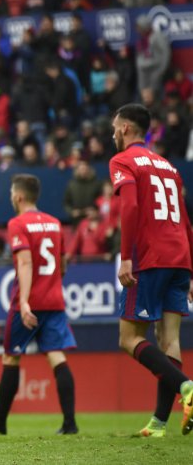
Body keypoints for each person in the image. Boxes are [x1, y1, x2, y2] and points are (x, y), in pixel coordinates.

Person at [0, 174, 78, 436]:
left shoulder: (18, 223)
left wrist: (26, 301)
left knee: (11, 356)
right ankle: (69, 423)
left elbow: (26, 263)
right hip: (53, 300)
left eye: (10, 193)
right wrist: (51, 285)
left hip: (28, 303)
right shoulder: (54, 223)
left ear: (18, 196)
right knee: (56, 356)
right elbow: (63, 264)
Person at [109, 104, 193, 437]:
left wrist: (126, 257)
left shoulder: (123, 161)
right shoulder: (169, 167)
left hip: (149, 257)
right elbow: (186, 220)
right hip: (180, 257)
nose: (113, 133)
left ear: (127, 128)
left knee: (129, 338)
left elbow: (128, 206)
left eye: (116, 127)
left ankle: (187, 388)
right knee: (169, 339)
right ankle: (159, 424)